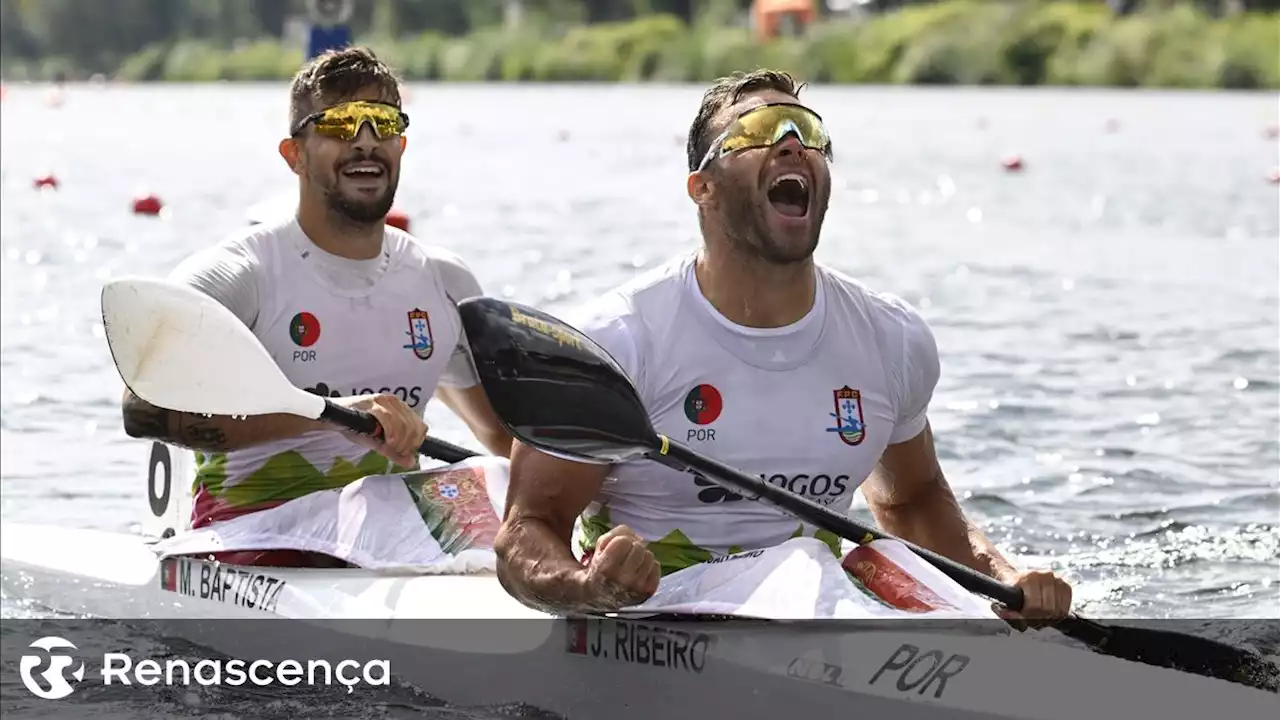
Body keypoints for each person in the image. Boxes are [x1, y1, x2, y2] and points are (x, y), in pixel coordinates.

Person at [493, 69, 1073, 624]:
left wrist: (1006, 578)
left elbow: (911, 502)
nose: (793, 144)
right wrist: (589, 588)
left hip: (814, 604)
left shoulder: (891, 339)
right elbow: (527, 532)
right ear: (704, 188)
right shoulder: (617, 341)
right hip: (655, 614)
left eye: (810, 133)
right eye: (758, 130)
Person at [121, 46, 512, 566]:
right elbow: (142, 410)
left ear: (401, 144)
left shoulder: (443, 281)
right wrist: (335, 416)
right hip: (258, 522)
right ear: (294, 155)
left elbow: (504, 439)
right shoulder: (240, 275)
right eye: (341, 126)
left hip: (391, 521)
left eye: (382, 124)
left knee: (511, 496)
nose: (366, 143)